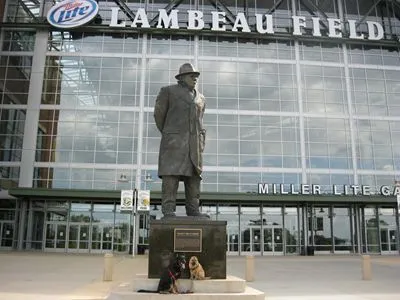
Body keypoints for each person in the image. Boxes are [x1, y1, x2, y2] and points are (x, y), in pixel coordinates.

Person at [154, 63, 209, 218]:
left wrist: (200, 140)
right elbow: (159, 116)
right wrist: (170, 135)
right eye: (191, 75)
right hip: (174, 145)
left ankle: (193, 210)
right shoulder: (168, 92)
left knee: (193, 179)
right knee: (171, 177)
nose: (195, 78)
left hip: (194, 146)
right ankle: (168, 210)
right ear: (182, 78)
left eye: (196, 76)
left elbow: (200, 121)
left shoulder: (201, 98)